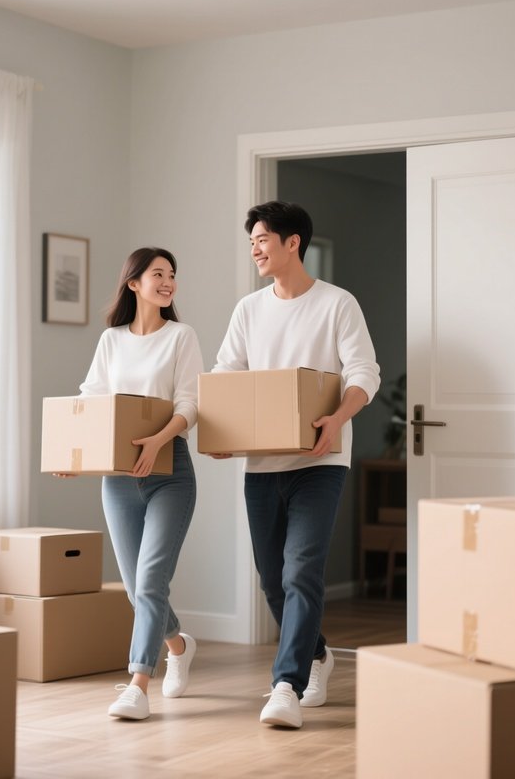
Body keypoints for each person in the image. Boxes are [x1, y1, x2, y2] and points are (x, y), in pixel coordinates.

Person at [210, 201, 380, 729]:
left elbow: (364, 373)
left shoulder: (337, 304)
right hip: (262, 466)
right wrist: (222, 431)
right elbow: (226, 374)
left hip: (321, 461)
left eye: (263, 239)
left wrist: (337, 420)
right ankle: (317, 655)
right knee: (272, 580)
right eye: (251, 242)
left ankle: (286, 685)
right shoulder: (248, 310)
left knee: (301, 571)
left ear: (293, 243)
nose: (255, 250)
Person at [56, 247, 204, 721]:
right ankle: (179, 646)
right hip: (119, 477)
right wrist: (74, 455)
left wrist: (158, 441)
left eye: (172, 274)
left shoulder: (181, 336)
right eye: (158, 273)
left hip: (169, 473)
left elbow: (190, 404)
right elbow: (92, 399)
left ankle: (138, 684)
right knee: (136, 587)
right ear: (134, 283)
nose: (168, 281)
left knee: (151, 579)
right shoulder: (112, 340)